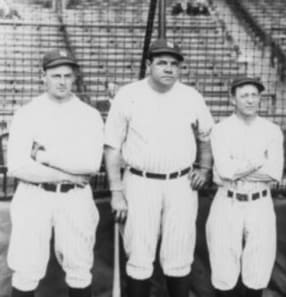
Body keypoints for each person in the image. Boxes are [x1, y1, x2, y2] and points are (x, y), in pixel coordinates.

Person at [104, 39, 214, 297]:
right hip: (140, 182)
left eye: (174, 64)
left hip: (181, 183)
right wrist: (116, 191)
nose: (168, 69)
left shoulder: (191, 96)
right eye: (162, 62)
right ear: (148, 64)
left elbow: (206, 136)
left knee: (179, 254)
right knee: (140, 254)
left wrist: (205, 168)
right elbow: (112, 146)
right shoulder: (129, 95)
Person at [7, 49, 104, 297]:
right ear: (43, 76)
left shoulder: (89, 115)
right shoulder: (27, 113)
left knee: (79, 267)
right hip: (34, 195)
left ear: (74, 78)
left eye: (67, 76)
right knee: (26, 268)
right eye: (56, 75)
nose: (62, 81)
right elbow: (17, 166)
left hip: (75, 197)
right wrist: (68, 174)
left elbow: (90, 164)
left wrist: (43, 156)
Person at [206, 77, 283, 297]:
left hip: (259, 201)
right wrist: (257, 162)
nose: (250, 100)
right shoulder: (221, 129)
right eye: (244, 95)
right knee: (223, 266)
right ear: (233, 100)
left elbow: (274, 172)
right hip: (228, 199)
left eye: (254, 95)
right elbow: (224, 171)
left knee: (258, 266)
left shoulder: (272, 130)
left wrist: (238, 167)